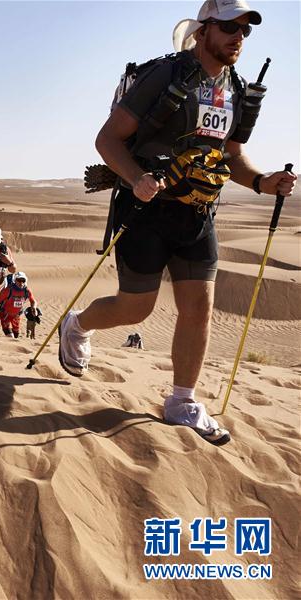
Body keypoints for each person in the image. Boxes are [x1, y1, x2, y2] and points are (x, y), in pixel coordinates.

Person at [58, 0, 295, 445]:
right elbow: (107, 139)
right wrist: (137, 178)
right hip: (144, 209)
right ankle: (77, 325)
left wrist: (264, 182)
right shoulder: (164, 76)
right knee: (136, 309)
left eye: (245, 30)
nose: (238, 36)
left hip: (198, 213)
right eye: (229, 26)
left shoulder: (238, 89)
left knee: (199, 308)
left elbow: (232, 156)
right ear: (203, 30)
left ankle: (183, 401)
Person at [0, 271, 37, 339]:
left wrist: (34, 308)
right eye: (19, 280)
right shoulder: (8, 290)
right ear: (15, 280)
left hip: (16, 316)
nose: (21, 283)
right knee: (10, 335)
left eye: (23, 280)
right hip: (5, 315)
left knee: (16, 335)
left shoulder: (26, 291)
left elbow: (33, 301)